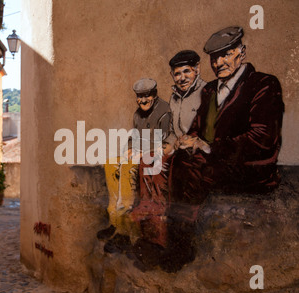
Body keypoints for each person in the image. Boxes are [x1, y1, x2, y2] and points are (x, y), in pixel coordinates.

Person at [169, 26, 285, 215]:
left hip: (249, 169)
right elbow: (197, 128)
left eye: (226, 55)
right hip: (213, 164)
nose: (219, 63)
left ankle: (179, 239)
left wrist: (208, 147)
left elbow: (261, 139)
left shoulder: (263, 84)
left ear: (242, 53)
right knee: (175, 160)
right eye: (214, 58)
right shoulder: (210, 90)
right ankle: (166, 235)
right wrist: (187, 139)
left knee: (189, 168)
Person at [130, 50, 206, 251]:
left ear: (197, 69)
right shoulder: (174, 98)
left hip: (196, 150)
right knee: (149, 159)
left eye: (186, 72)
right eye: (177, 73)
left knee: (160, 165)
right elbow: (172, 131)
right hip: (178, 147)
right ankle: (150, 214)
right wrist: (168, 145)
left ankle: (162, 228)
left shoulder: (206, 93)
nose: (182, 77)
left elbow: (208, 128)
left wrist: (194, 142)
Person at [98, 78, 171, 254]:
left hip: (156, 155)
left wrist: (141, 152)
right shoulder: (138, 114)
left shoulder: (164, 111)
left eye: (147, 96)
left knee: (127, 167)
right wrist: (130, 148)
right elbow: (134, 137)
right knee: (110, 164)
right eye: (139, 97)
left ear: (154, 95)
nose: (143, 100)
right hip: (140, 152)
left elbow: (165, 141)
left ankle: (123, 232)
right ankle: (114, 221)